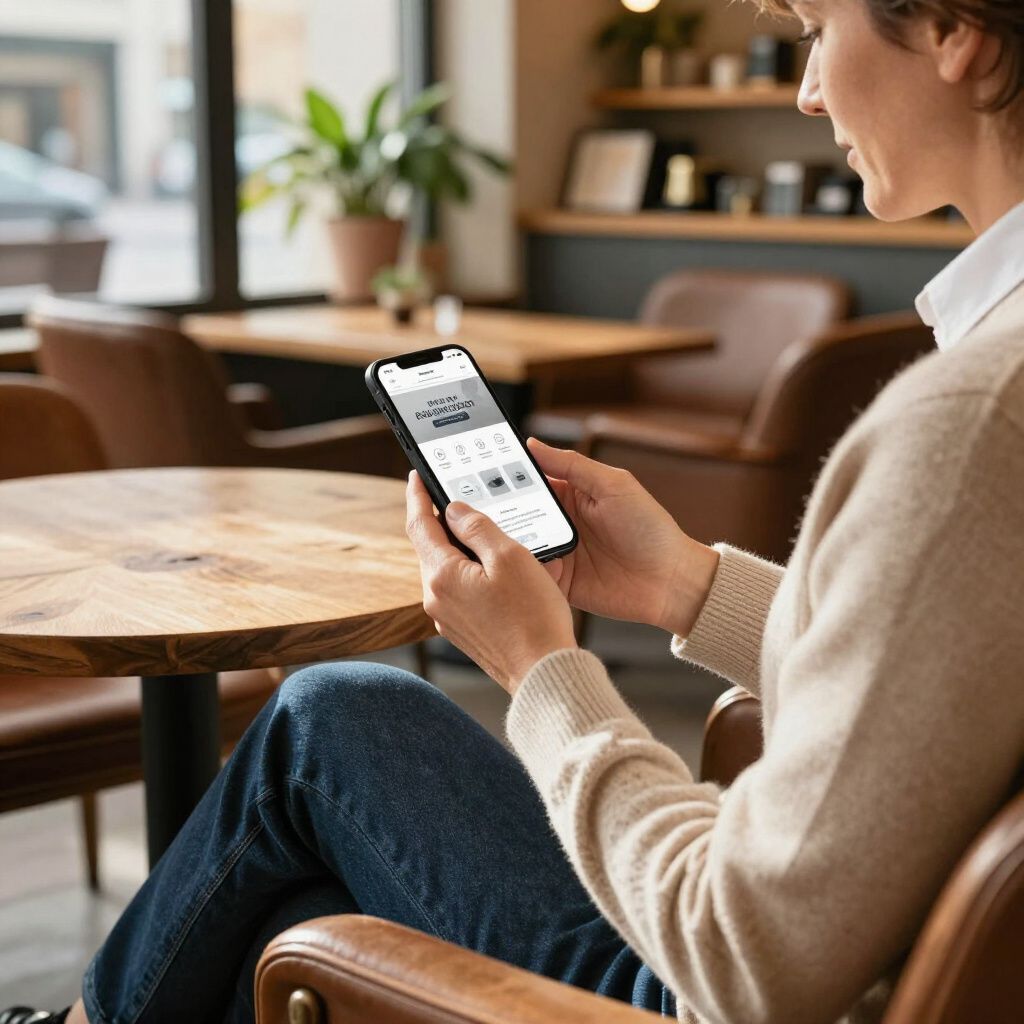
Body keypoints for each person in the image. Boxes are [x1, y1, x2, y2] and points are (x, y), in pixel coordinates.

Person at [5, 0, 1024, 1021]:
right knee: (277, 911)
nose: (805, 88)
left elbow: (746, 955)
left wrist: (542, 669)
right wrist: (682, 581)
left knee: (327, 716)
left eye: (811, 28)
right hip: (867, 946)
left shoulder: (975, 417)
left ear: (950, 31)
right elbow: (924, 684)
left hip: (706, 984)